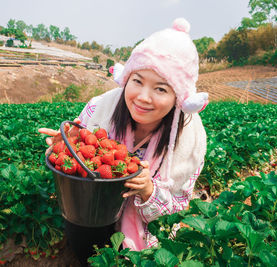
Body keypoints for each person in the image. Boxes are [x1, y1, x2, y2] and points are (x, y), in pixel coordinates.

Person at [39, 17, 208, 265]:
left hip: (143, 229)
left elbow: (177, 209)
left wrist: (147, 189)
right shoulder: (103, 107)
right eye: (137, 81)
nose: (143, 97)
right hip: (93, 213)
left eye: (161, 89)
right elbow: (78, 152)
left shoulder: (189, 139)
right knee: (84, 239)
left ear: (179, 98)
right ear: (126, 79)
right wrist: (66, 145)